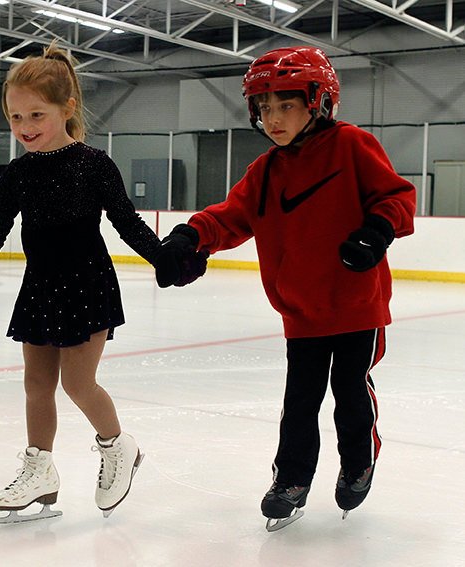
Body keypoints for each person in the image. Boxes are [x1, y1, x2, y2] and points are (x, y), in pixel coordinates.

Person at [155, 46, 416, 530]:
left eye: (286, 105)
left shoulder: (352, 145)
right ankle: (291, 478)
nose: (273, 118)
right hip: (300, 310)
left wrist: (376, 233)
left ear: (318, 102)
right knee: (300, 398)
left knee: (350, 390)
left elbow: (397, 196)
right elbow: (231, 216)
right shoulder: (267, 170)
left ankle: (359, 460)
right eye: (264, 107)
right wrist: (190, 236)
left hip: (357, 304)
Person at [0, 43, 184, 524]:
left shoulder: (94, 164)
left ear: (67, 108)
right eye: (15, 117)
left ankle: (119, 446)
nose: (25, 127)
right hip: (39, 286)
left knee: (78, 382)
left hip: (88, 284)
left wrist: (164, 259)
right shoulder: (16, 174)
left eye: (37, 113)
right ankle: (40, 471)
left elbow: (127, 223)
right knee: (36, 384)